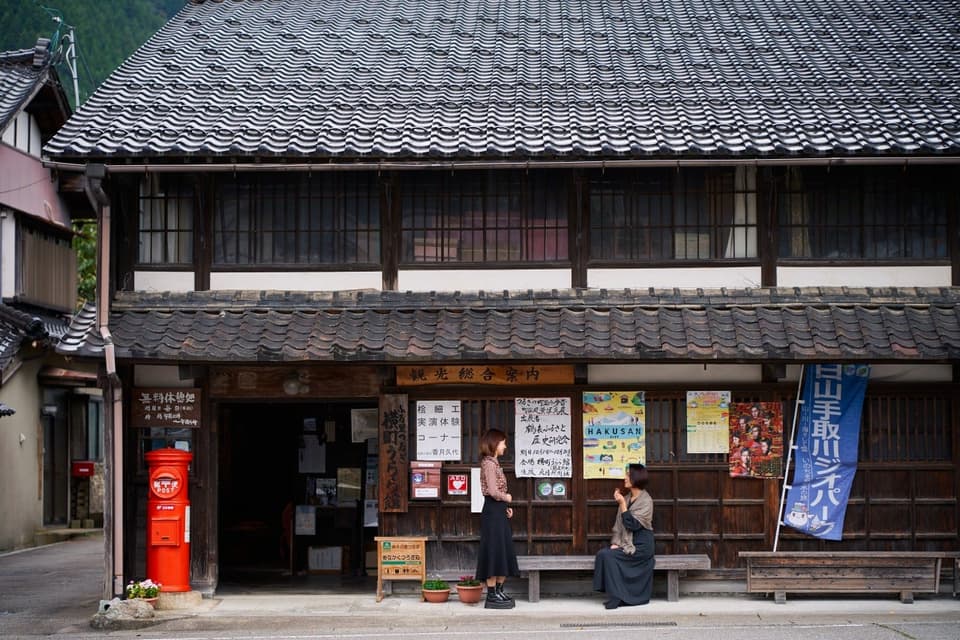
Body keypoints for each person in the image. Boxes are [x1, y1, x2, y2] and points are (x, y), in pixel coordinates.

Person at [593, 463, 655, 609]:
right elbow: (618, 525)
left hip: (641, 546)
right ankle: (617, 594)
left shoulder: (646, 501)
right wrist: (616, 542)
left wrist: (622, 505)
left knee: (610, 556)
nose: (625, 478)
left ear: (635, 478)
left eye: (627, 475)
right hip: (627, 542)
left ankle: (619, 597)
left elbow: (633, 525)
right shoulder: (627, 498)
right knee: (603, 554)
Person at [476, 428, 518, 609]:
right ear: (494, 443)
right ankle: (492, 595)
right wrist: (506, 498)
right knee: (494, 551)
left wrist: (505, 508)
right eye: (503, 442)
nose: (505, 446)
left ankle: (499, 590)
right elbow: (493, 491)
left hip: (498, 512)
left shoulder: (494, 463)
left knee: (503, 551)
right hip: (492, 513)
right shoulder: (489, 464)